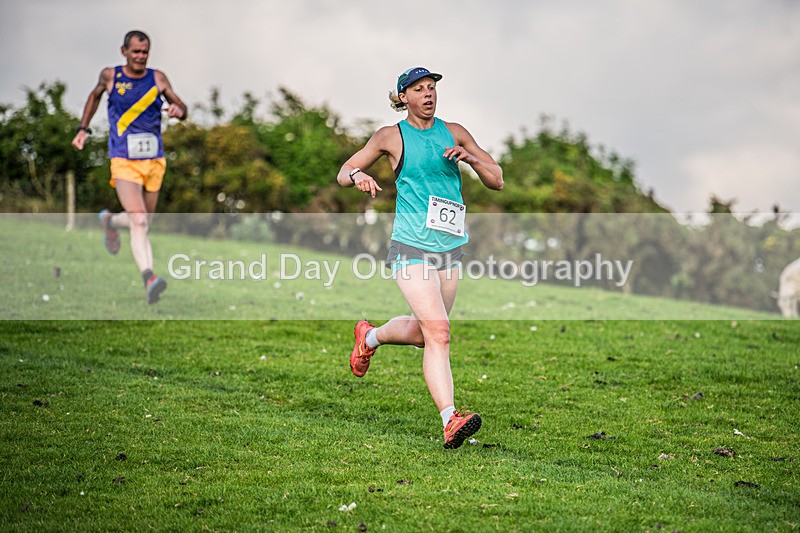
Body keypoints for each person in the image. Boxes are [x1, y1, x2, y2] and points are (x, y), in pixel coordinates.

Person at [336, 67, 503, 449]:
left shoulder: (455, 132)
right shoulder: (390, 137)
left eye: (432, 88)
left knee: (422, 334)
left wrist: (472, 160)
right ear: (403, 97)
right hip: (410, 248)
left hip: (449, 250)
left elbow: (497, 178)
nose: (428, 95)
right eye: (419, 89)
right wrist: (359, 175)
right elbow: (344, 170)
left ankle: (370, 336)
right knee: (440, 333)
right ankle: (450, 419)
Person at [71, 30, 187, 304]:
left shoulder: (157, 78)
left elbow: (181, 106)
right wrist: (82, 129)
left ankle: (109, 220)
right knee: (139, 219)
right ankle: (149, 277)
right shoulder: (111, 76)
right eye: (135, 52)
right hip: (123, 158)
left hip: (154, 160)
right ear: (124, 51)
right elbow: (95, 96)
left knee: (145, 220)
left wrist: (179, 110)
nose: (140, 57)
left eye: (145, 52)